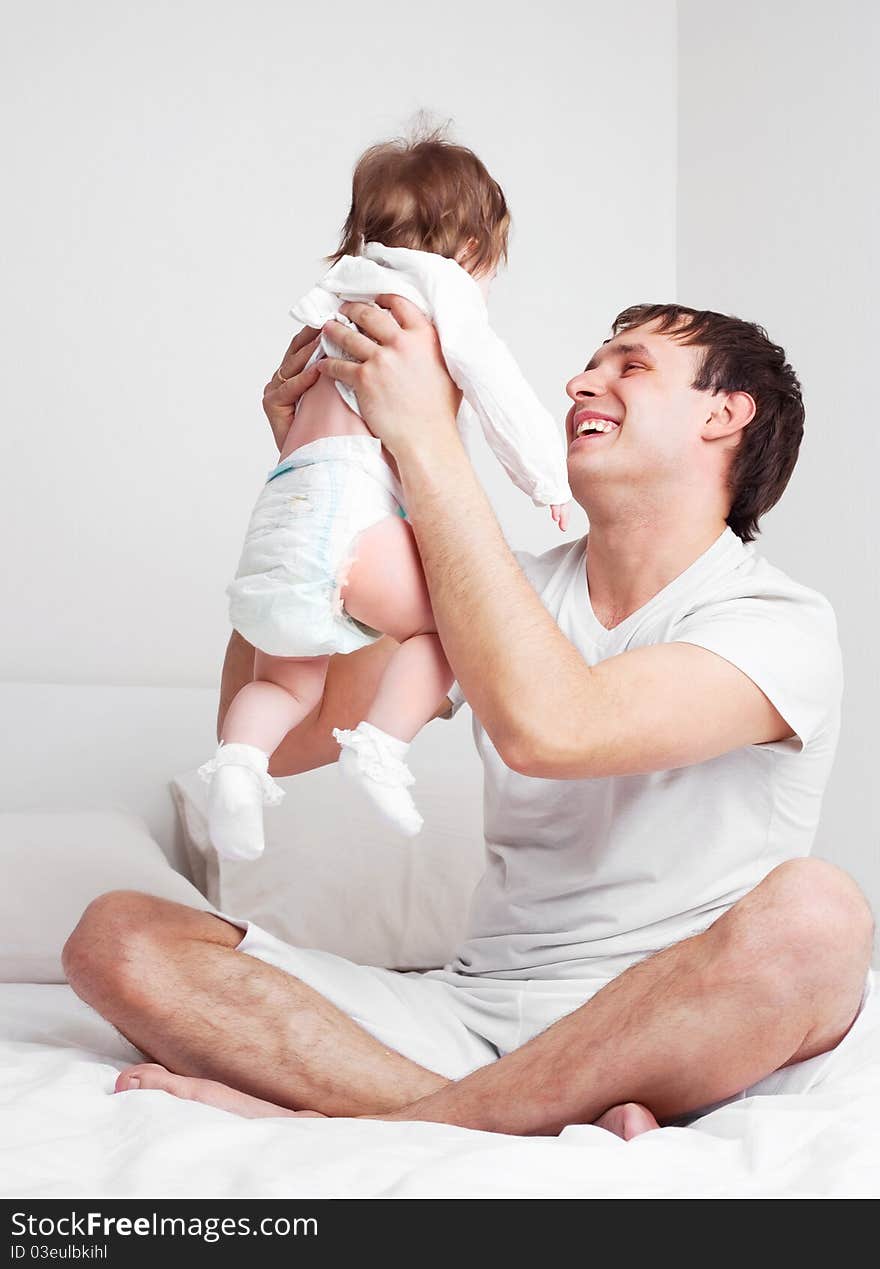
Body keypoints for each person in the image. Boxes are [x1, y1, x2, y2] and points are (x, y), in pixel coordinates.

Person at [62, 297, 875, 1139]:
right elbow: (286, 739)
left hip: (666, 1025)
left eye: (629, 366)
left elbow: (558, 728)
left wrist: (425, 438)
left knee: (819, 916)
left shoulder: (778, 619)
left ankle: (387, 1115)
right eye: (594, 363)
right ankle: (487, 1116)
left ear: (725, 414)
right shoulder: (502, 587)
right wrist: (312, 479)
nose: (581, 382)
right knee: (117, 936)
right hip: (470, 1016)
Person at [198, 132, 570, 859]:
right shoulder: (439, 289)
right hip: (351, 512)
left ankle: (238, 768)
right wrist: (545, 478)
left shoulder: (341, 296)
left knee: (287, 684)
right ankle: (379, 747)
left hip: (281, 509)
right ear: (469, 245)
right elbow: (497, 388)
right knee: (458, 627)